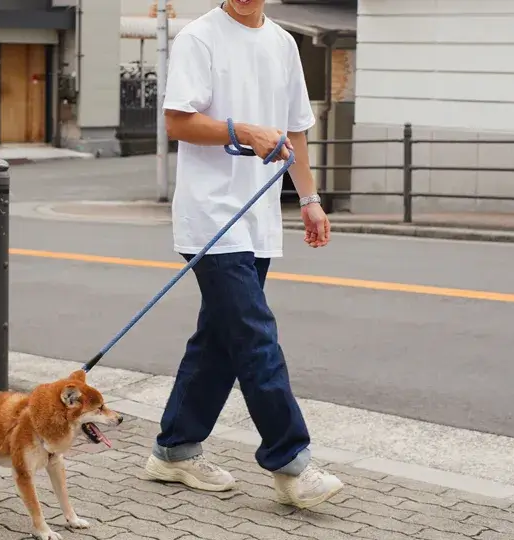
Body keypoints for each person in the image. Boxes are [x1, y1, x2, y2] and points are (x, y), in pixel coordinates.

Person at [142, 0, 343, 509]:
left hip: (259, 217)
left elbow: (295, 128)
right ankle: (290, 462)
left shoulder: (282, 43)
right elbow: (178, 122)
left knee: (219, 341)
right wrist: (243, 131)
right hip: (210, 216)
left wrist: (311, 199)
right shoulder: (199, 37)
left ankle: (174, 450)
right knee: (254, 336)